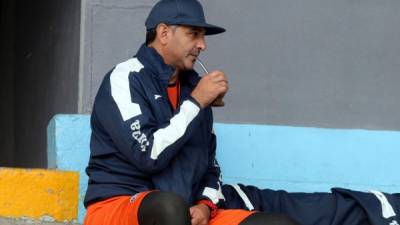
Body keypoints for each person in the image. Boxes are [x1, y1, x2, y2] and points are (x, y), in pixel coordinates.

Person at [83, 0, 298, 225]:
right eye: (193, 34)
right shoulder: (125, 78)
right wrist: (195, 104)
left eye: (203, 36)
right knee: (169, 209)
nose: (202, 45)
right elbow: (147, 155)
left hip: (183, 212)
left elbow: (211, 166)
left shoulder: (195, 90)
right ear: (164, 33)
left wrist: (205, 205)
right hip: (121, 205)